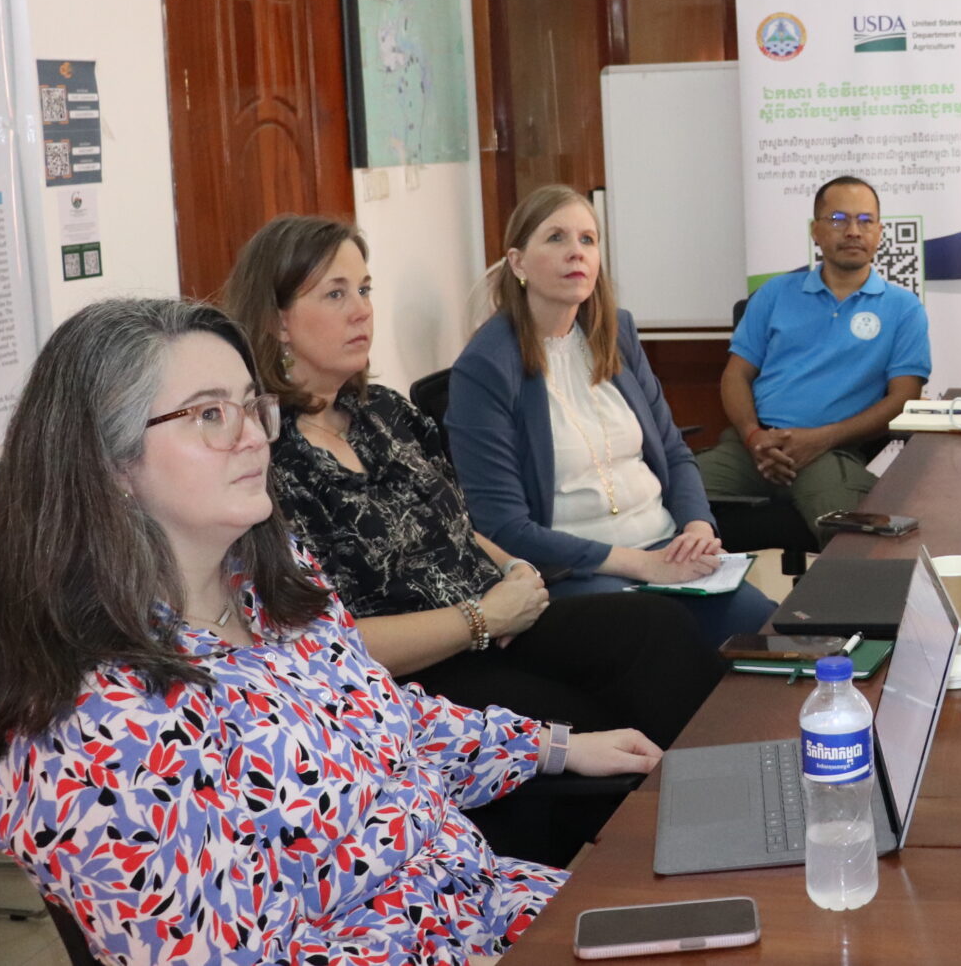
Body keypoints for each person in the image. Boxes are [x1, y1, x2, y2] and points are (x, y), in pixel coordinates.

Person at [0, 298, 666, 964]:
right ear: (109, 462)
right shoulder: (92, 722)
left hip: (483, 903)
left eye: (251, 407)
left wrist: (549, 746)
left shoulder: (271, 580)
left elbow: (379, 718)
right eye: (209, 414)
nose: (253, 437)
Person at [226, 214, 723, 866]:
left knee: (656, 631)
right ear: (277, 321)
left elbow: (459, 524)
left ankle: (733, 804)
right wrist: (481, 618)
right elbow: (323, 644)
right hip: (419, 669)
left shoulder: (384, 411)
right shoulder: (265, 460)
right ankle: (652, 857)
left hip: (497, 620)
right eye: (335, 293)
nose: (362, 310)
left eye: (365, 289)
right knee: (585, 719)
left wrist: (514, 567)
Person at [449, 185, 775, 647]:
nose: (576, 252)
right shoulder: (486, 367)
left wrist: (697, 528)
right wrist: (642, 565)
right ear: (518, 263)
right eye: (556, 238)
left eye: (588, 239)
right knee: (667, 639)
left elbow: (674, 452)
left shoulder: (615, 331)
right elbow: (504, 528)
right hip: (576, 571)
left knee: (763, 624)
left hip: (665, 547)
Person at [695, 174, 932, 537]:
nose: (853, 231)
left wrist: (821, 439)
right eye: (838, 220)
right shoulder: (774, 293)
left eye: (865, 221)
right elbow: (736, 375)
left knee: (853, 540)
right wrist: (753, 435)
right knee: (663, 501)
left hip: (830, 453)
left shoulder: (903, 308)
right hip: (755, 448)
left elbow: (904, 398)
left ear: (879, 233)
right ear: (815, 231)